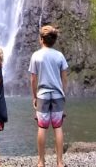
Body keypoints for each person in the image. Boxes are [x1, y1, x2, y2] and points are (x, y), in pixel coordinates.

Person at [28, 24, 68, 167]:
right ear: (54, 40)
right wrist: (63, 92)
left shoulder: (36, 56)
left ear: (41, 39)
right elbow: (64, 77)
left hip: (43, 95)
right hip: (57, 95)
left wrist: (34, 96)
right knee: (58, 127)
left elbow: (33, 79)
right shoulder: (59, 56)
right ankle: (60, 161)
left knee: (42, 127)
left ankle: (41, 161)